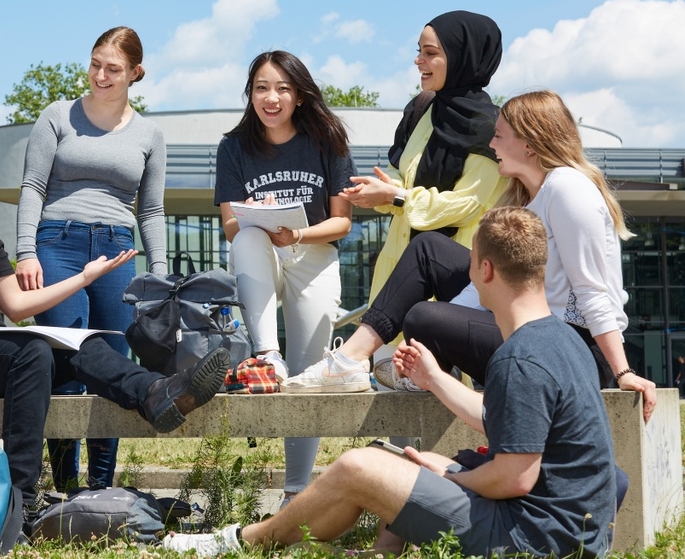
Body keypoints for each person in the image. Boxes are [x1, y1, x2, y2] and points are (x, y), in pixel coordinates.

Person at [163, 207, 618, 558]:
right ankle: (383, 551)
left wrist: (455, 475)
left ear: (485, 271)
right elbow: (510, 423)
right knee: (403, 460)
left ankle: (240, 541)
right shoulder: (563, 339)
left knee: (359, 466)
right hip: (569, 527)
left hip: (528, 538)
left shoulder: (519, 356)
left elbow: (515, 478)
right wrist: (435, 379)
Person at [0, 119, 228, 509]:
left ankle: (158, 393)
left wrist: (84, 277)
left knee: (82, 344)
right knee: (32, 352)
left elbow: (15, 305)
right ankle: (19, 502)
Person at [286, 90, 658, 420]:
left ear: (529, 143)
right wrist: (447, 325)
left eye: (498, 135)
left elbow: (594, 292)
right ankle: (351, 360)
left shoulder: (569, 190)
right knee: (429, 250)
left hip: (571, 352)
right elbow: (485, 283)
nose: (491, 144)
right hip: (527, 330)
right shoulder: (525, 197)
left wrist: (621, 373)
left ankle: (418, 371)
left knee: (423, 317)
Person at [283, 11, 507, 391]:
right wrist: (381, 193)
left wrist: (398, 197)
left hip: (458, 274)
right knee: (389, 384)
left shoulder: (492, 128)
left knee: (442, 392)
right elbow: (405, 181)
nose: (419, 60)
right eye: (418, 51)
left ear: (462, 55)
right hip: (401, 266)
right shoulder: (423, 110)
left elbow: (469, 204)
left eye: (430, 53)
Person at [16, 26, 166, 491]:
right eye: (95, 63)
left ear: (135, 73)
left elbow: (153, 209)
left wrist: (159, 276)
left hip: (117, 252)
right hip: (56, 243)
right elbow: (33, 186)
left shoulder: (149, 134)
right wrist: (25, 250)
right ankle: (64, 486)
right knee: (65, 357)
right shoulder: (57, 116)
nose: (101, 75)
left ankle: (101, 489)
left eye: (114, 68)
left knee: (112, 363)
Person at [215, 50, 356, 505]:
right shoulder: (233, 146)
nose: (270, 97)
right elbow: (230, 225)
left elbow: (342, 223)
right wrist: (259, 219)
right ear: (250, 93)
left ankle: (296, 492)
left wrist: (296, 231)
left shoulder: (327, 140)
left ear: (299, 94)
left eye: (282, 88)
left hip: (313, 252)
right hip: (262, 252)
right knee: (247, 239)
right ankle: (266, 355)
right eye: (261, 88)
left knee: (308, 371)